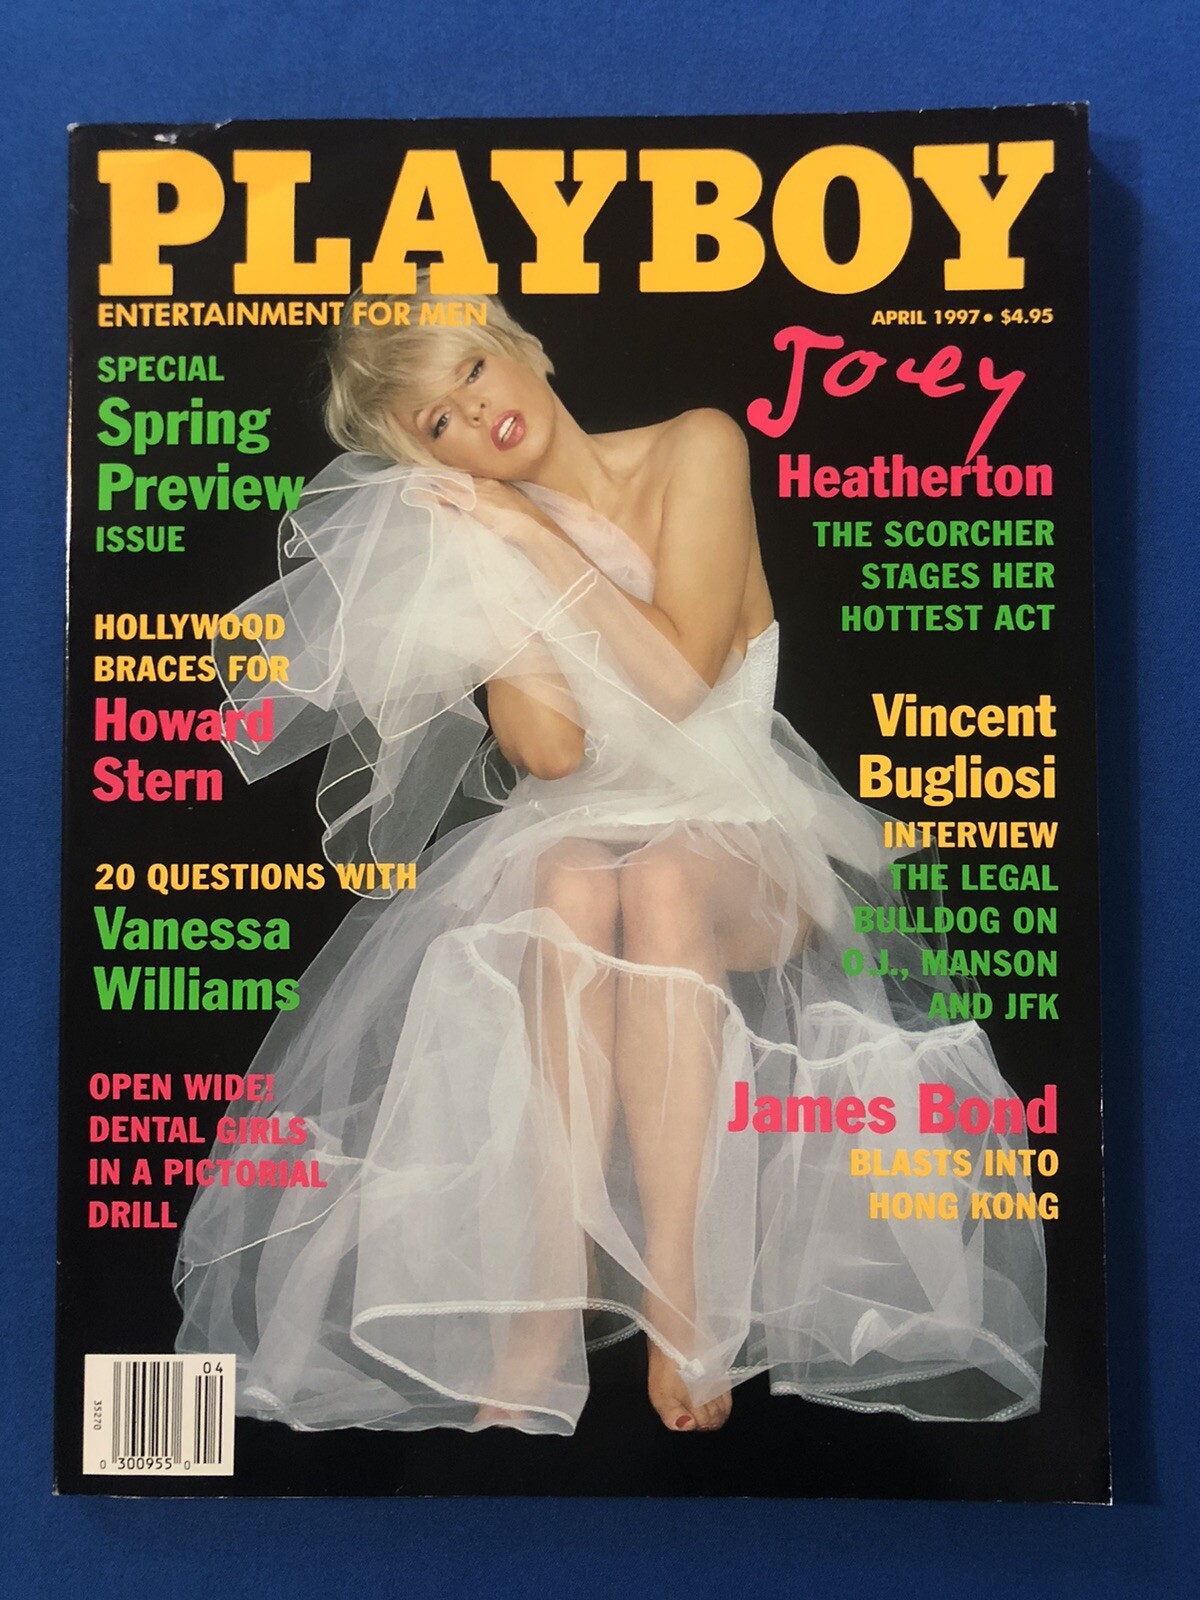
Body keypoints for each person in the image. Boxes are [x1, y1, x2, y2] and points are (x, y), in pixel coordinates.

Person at [174, 280, 1046, 1436]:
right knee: (576, 877)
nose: (475, 413)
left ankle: (681, 1289)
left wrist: (533, 534)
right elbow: (552, 753)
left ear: (520, 348)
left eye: (472, 370)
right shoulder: (485, 541)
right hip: (584, 833)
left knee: (664, 873)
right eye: (438, 422)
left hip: (742, 827)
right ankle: (549, 1290)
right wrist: (487, 568)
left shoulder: (697, 447)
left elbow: (682, 680)